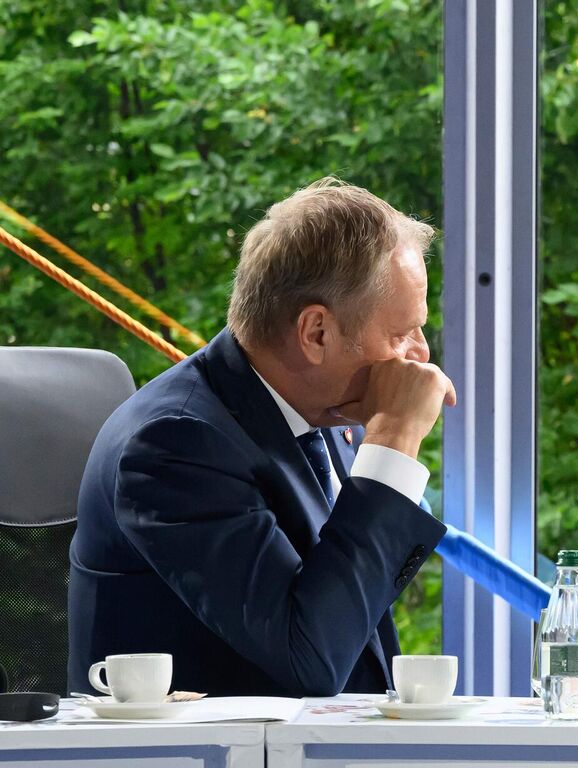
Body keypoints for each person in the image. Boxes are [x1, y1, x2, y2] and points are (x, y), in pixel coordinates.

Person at [68, 178, 455, 697]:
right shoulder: (176, 444)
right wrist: (396, 438)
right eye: (402, 332)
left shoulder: (329, 417)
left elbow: (358, 634)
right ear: (316, 332)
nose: (421, 355)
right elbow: (308, 661)